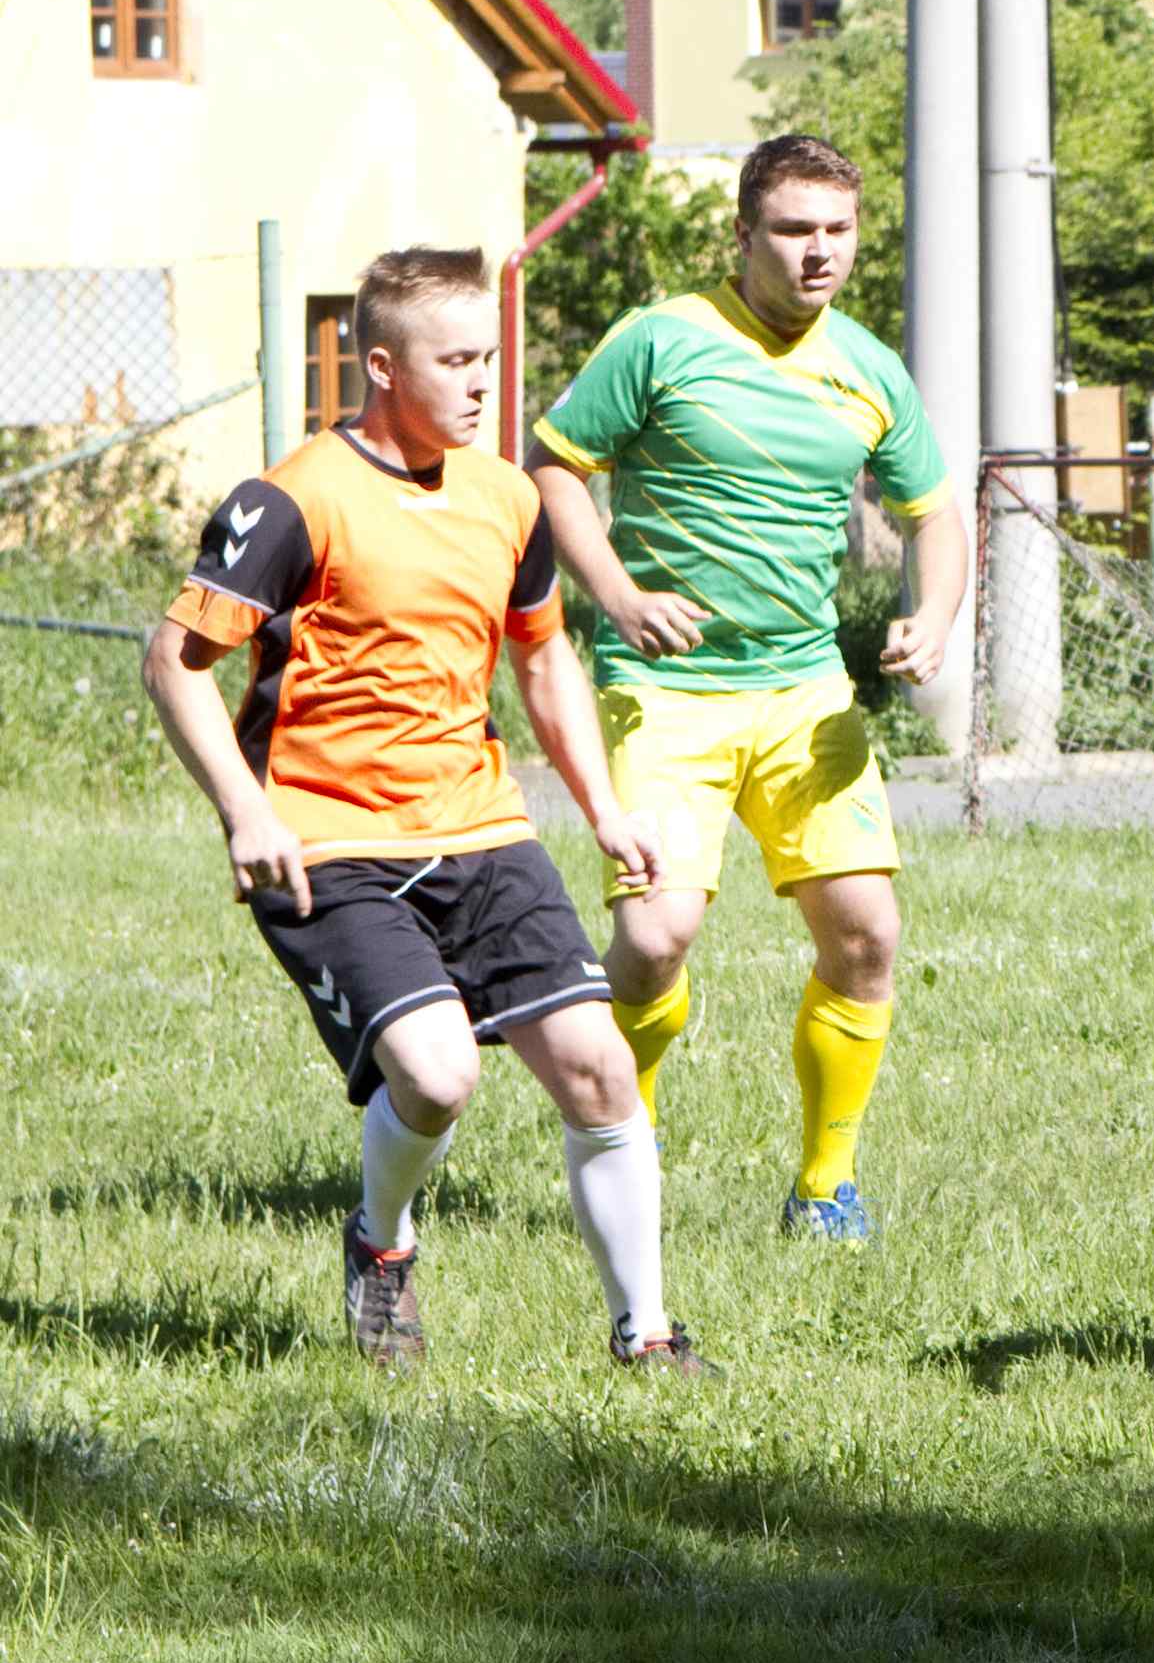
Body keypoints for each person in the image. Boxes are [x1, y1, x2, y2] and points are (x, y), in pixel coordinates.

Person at [141, 246, 713, 1375]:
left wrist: (603, 807)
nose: (480, 381)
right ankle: (381, 1241)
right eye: (454, 360)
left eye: (489, 357)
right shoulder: (294, 497)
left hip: (483, 828)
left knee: (597, 1066)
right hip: (328, 842)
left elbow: (543, 664)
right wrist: (247, 812)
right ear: (381, 365)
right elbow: (173, 659)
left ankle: (646, 1335)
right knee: (441, 1075)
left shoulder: (506, 495)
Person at [526, 133, 963, 1246]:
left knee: (867, 933)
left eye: (839, 231)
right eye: (794, 230)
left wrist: (933, 612)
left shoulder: (867, 366)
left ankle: (826, 1188)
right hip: (665, 688)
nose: (820, 254)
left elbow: (935, 513)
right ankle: (627, 1144)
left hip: (803, 690)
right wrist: (618, 594)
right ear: (743, 234)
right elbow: (557, 467)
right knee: (656, 937)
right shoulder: (663, 339)